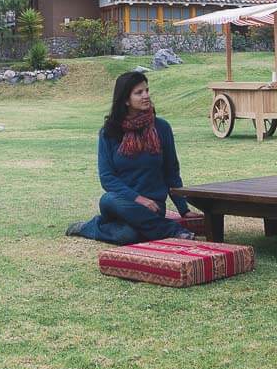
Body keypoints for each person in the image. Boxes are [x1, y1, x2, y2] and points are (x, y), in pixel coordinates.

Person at [66, 70, 195, 243]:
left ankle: (90, 226)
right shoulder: (109, 132)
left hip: (153, 205)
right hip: (121, 203)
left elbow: (171, 171)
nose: (146, 96)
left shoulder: (162, 128)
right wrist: (138, 199)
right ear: (126, 100)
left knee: (127, 235)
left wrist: (183, 209)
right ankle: (171, 229)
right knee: (108, 199)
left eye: (147, 91)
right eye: (139, 92)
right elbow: (107, 178)